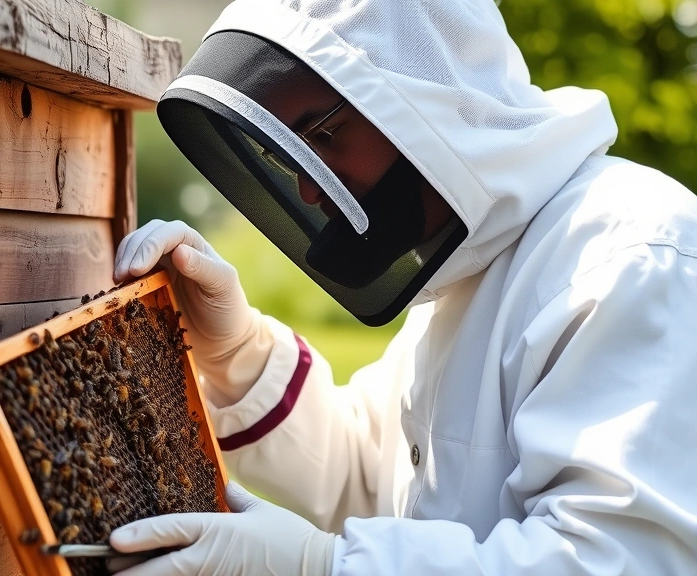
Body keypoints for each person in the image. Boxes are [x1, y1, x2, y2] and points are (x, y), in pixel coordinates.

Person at [105, 0, 697, 575]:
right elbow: (368, 471)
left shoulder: (630, 254)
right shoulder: (466, 267)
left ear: (422, 99)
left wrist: (322, 567)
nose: (310, 192)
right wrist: (238, 355)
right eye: (290, 157)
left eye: (323, 137)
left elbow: (619, 558)